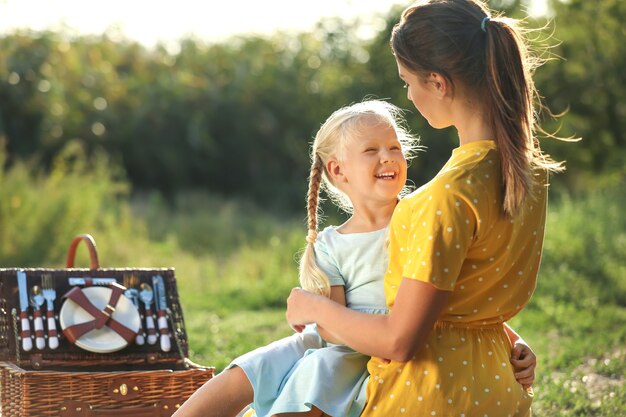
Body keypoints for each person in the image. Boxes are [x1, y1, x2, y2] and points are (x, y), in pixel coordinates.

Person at [173, 99, 536, 417]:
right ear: (337, 171)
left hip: (375, 344)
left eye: (394, 147)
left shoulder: (421, 218)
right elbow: (331, 330)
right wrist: (329, 317)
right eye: (371, 150)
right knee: (256, 366)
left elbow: (452, 300)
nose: (388, 156)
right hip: (342, 339)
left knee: (317, 370)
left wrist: (513, 339)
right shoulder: (331, 244)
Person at [286, 1, 561, 416]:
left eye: (407, 82)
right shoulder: (529, 176)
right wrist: (513, 340)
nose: (409, 95)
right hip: (501, 393)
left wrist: (314, 306)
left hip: (425, 397)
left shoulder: (441, 198)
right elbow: (469, 301)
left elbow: (400, 341)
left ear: (437, 83)